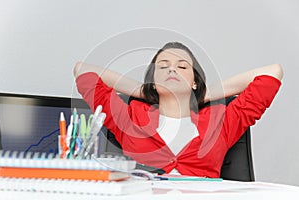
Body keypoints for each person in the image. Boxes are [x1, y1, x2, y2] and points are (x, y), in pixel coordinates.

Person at [74, 42, 283, 178]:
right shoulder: (129, 117)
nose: (172, 69)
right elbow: (83, 70)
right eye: (163, 66)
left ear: (194, 82)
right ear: (153, 80)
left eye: (182, 67)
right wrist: (143, 90)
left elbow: (273, 72)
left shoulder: (221, 120)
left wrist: (205, 94)